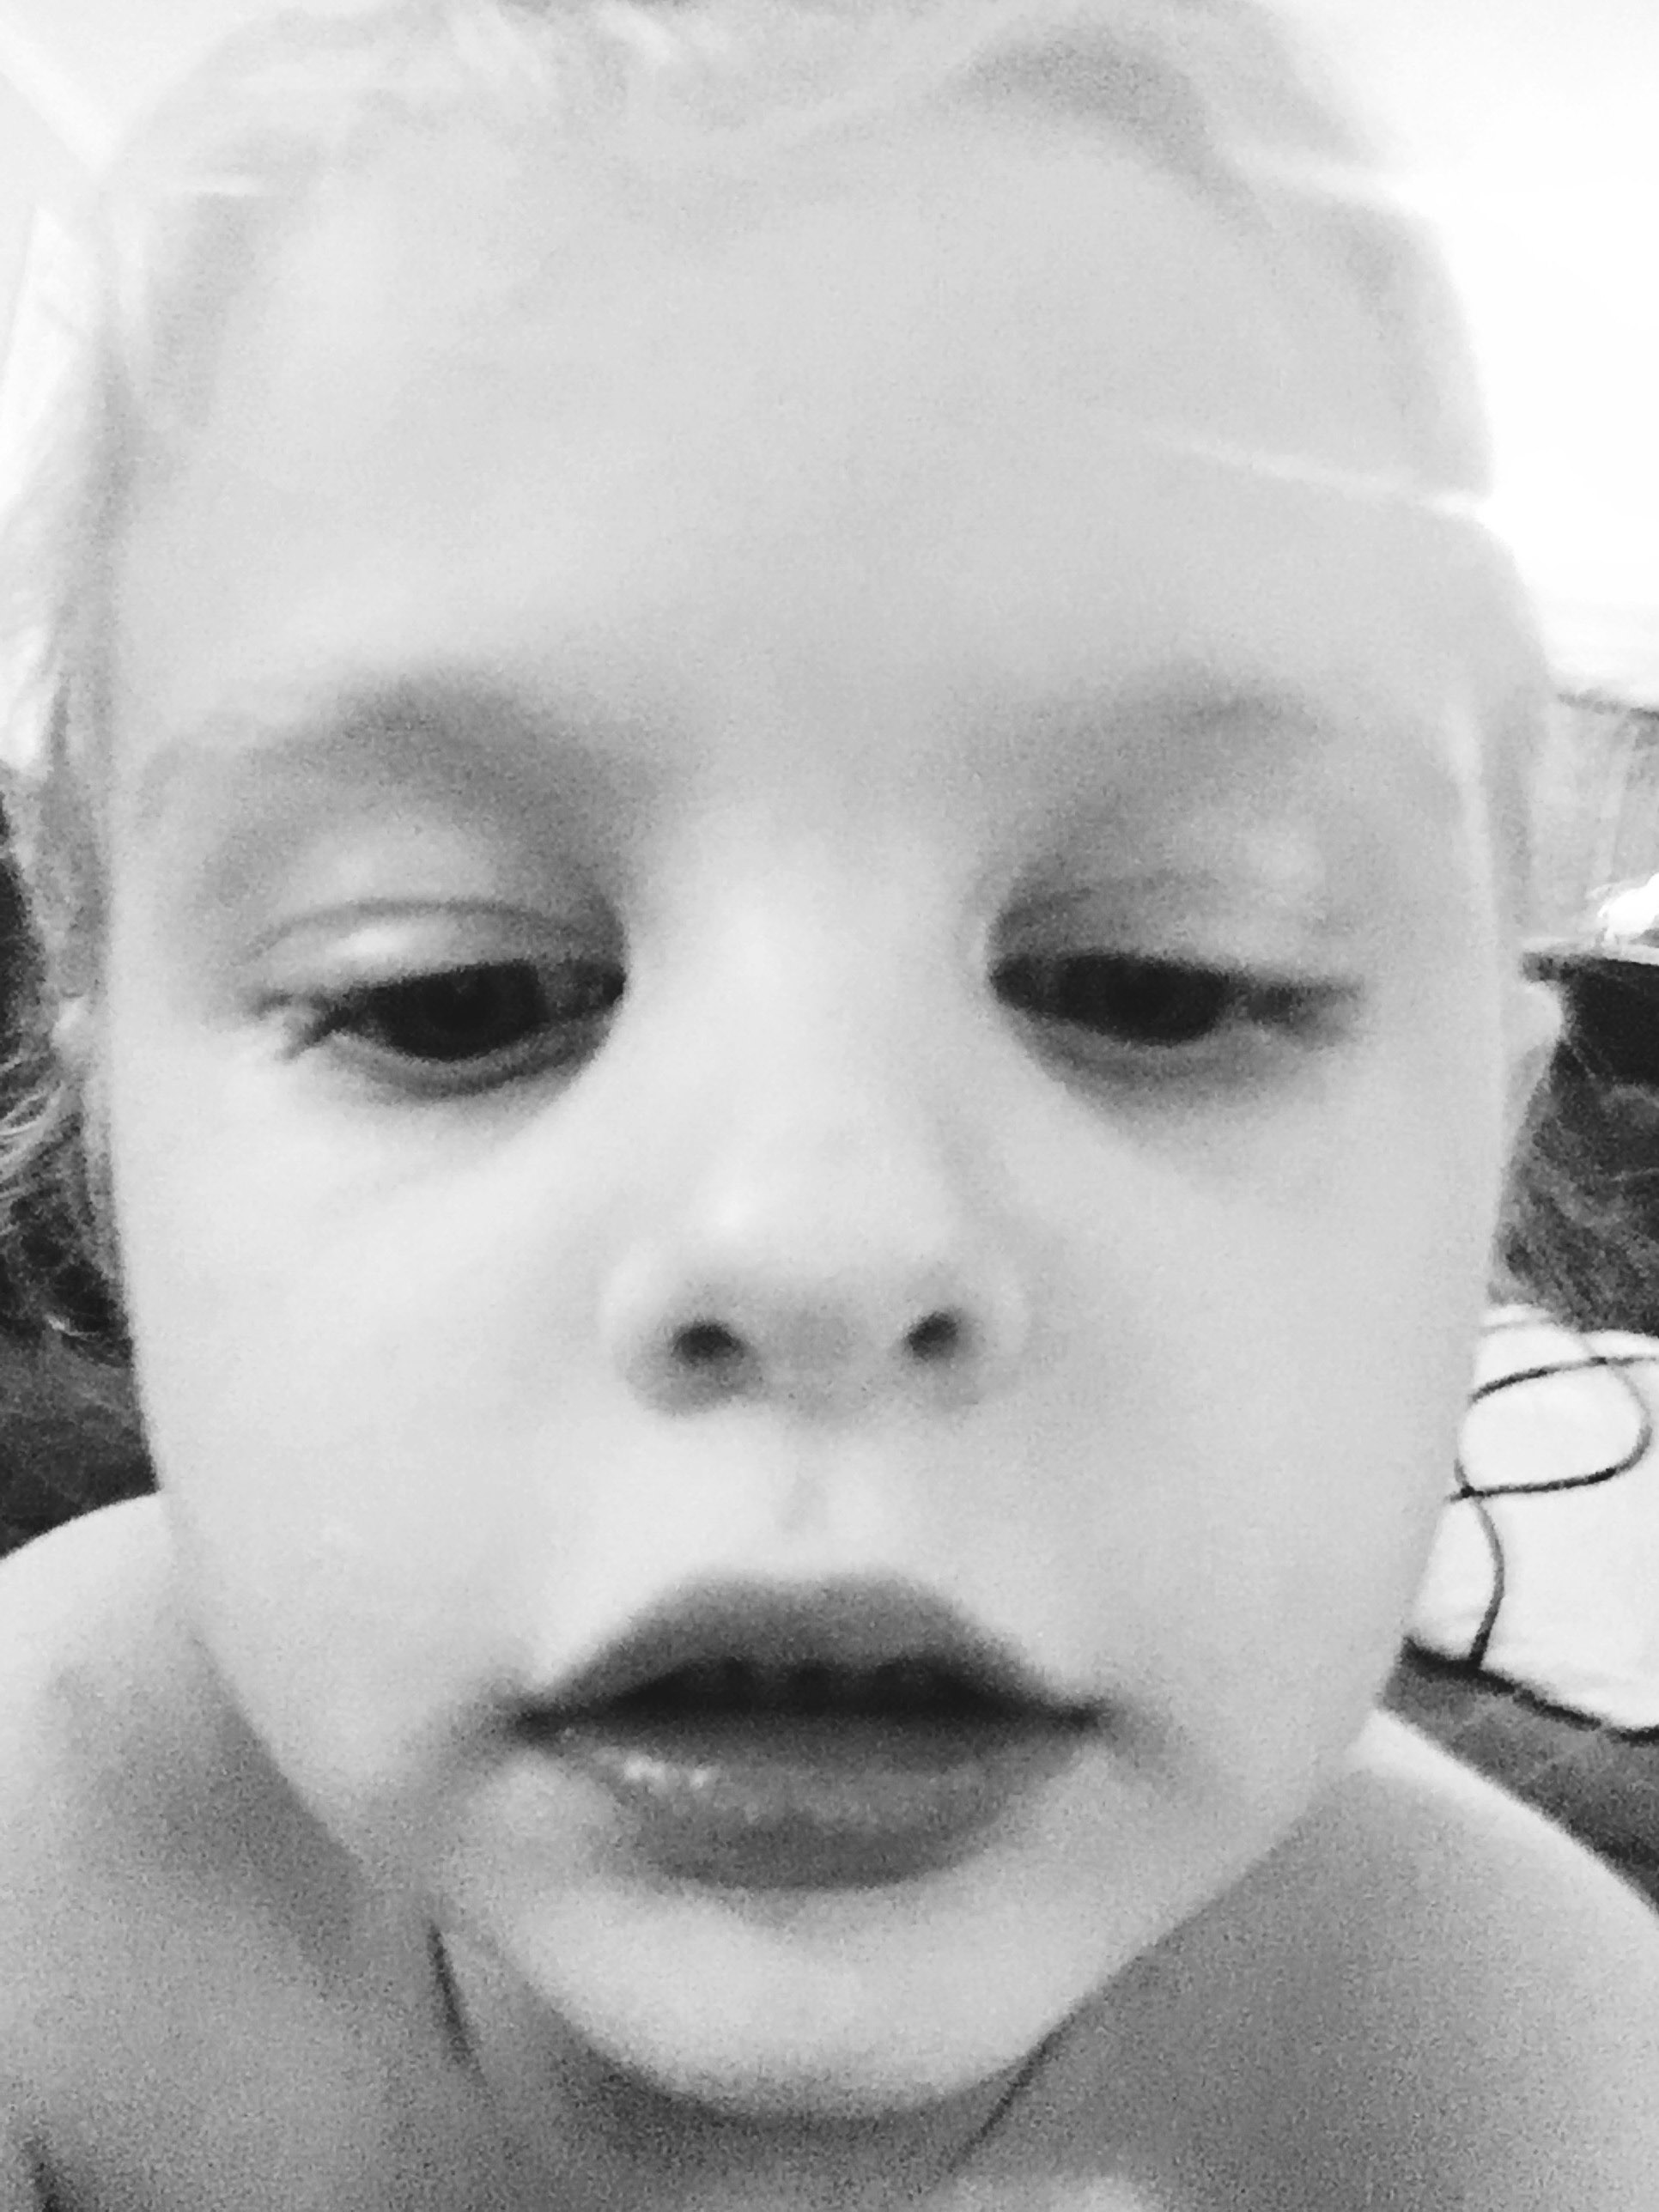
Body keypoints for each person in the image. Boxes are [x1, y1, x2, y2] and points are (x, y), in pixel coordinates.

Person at [1, 1, 1656, 2204]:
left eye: (1166, 982)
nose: (818, 1240)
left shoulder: (1528, 2092)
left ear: (1483, 1180)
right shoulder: (44, 1850)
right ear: (118, 1170)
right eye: (449, 992)